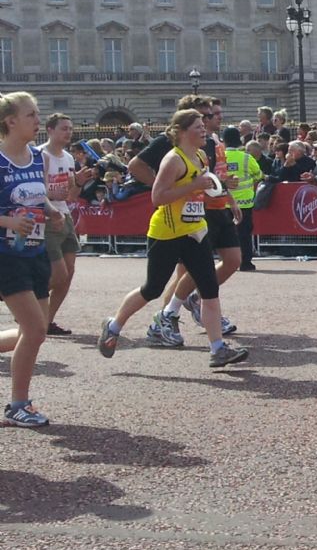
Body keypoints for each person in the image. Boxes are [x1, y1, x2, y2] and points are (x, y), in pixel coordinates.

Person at [97, 108, 249, 371]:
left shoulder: (201, 155)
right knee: (153, 289)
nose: (204, 130)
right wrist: (195, 185)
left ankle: (217, 349)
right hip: (167, 232)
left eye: (204, 125)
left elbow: (202, 188)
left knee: (209, 289)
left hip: (195, 230)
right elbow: (158, 197)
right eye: (198, 126)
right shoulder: (173, 159)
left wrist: (219, 189)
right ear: (181, 132)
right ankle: (113, 325)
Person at [0, 93, 54, 425]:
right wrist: (8, 221)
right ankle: (17, 405)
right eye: (31, 115)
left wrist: (51, 213)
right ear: (11, 121)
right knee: (33, 329)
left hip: (36, 251)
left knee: (36, 329)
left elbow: (39, 196)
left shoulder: (37, 157)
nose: (38, 120)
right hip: (6, 255)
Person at [41, 112, 93, 336]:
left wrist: (80, 182)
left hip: (65, 216)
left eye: (70, 129)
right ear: (50, 130)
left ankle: (47, 320)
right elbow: (37, 192)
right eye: (64, 128)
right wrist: (53, 195)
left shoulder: (69, 158)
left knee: (69, 272)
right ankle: (29, 303)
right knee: (59, 273)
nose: (68, 133)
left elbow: (71, 195)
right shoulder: (39, 155)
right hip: (47, 219)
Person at [223, 127, 263, 272]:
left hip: (224, 202)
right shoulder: (246, 157)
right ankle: (245, 262)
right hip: (245, 203)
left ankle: (227, 262)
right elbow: (259, 175)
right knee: (244, 234)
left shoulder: (221, 157)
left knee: (226, 234)